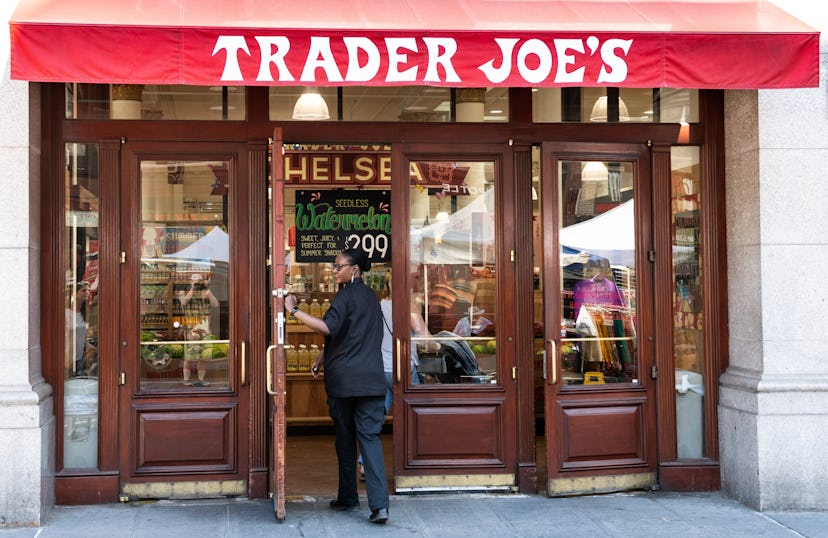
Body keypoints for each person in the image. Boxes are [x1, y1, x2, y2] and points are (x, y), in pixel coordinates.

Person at [285, 249, 390, 525]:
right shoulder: (371, 297)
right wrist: (323, 355)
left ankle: (348, 497)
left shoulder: (344, 296)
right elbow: (352, 335)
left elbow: (328, 327)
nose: (334, 270)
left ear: (354, 269)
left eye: (338, 266)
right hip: (372, 381)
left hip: (344, 381)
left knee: (345, 439)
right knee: (370, 440)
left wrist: (294, 310)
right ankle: (380, 506)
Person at [178, 273, 219, 387]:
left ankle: (201, 379)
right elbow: (184, 302)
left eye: (198, 281)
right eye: (195, 281)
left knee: (203, 356)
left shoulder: (205, 293)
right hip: (192, 329)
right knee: (190, 356)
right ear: (190, 281)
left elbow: (216, 304)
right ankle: (186, 380)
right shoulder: (183, 292)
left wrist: (209, 292)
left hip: (205, 329)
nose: (197, 283)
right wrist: (192, 288)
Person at [65, 280, 96, 376]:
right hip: (67, 359)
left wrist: (89, 348)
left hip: (79, 358)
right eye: (83, 290)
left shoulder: (84, 313)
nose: (87, 292)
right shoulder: (66, 312)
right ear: (74, 293)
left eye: (88, 290)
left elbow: (80, 336)